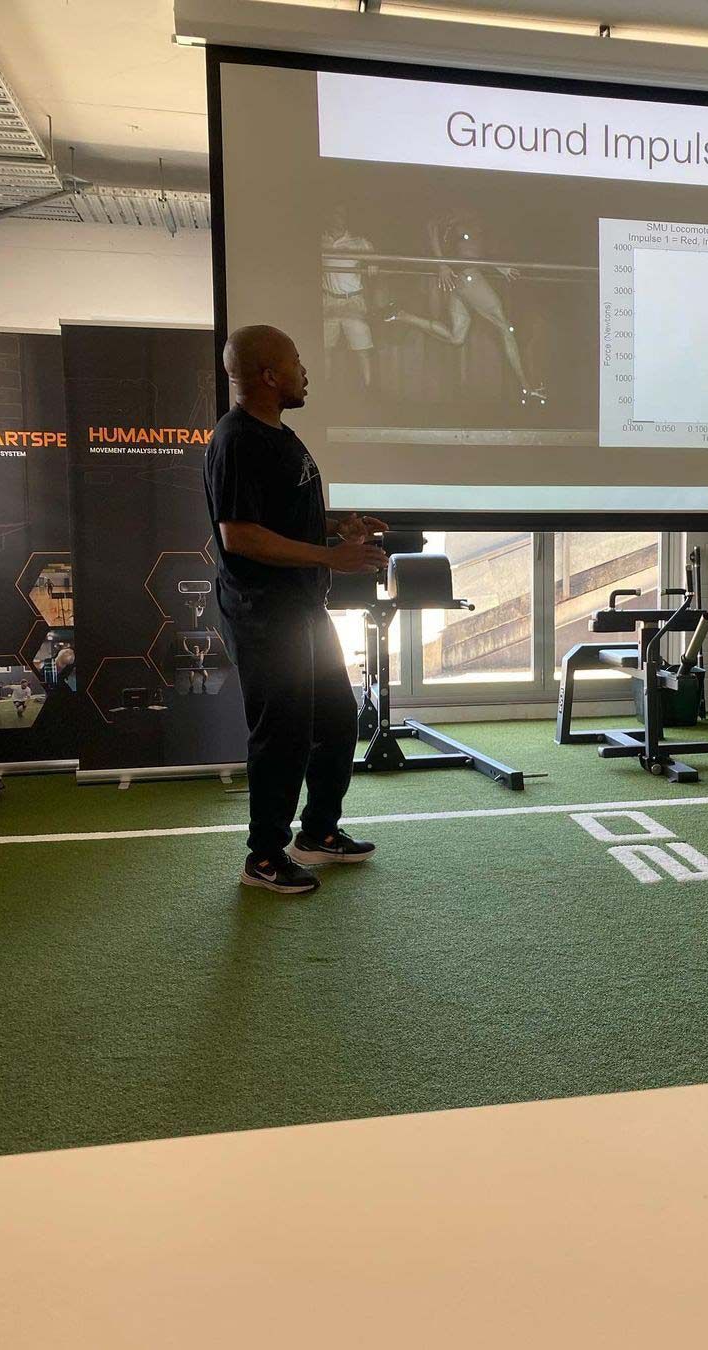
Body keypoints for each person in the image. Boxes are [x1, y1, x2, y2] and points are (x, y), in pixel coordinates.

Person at [204, 324, 389, 896]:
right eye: (297, 361)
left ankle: (317, 834)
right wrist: (332, 557)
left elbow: (283, 521)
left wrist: (339, 528)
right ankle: (264, 856)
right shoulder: (237, 440)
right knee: (280, 733)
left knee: (335, 719)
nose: (305, 372)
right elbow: (241, 537)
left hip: (304, 609)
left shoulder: (282, 437)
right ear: (268, 375)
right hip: (264, 613)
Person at [385, 209, 546, 406]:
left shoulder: (458, 224)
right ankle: (526, 387)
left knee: (457, 337)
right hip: (469, 278)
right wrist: (443, 265)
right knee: (504, 326)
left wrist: (444, 265)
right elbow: (451, 240)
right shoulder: (463, 223)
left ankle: (402, 316)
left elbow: (451, 239)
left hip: (460, 281)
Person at [322, 205, 378, 390]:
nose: (337, 218)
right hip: (328, 300)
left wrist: (371, 264)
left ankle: (369, 389)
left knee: (361, 348)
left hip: (352, 300)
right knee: (325, 348)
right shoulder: (320, 240)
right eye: (334, 214)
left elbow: (375, 261)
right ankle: (325, 387)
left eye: (341, 214)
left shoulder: (358, 241)